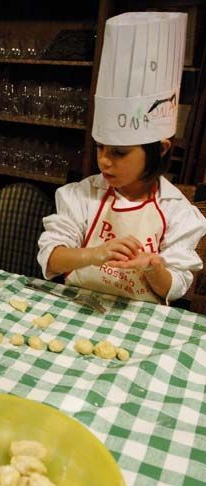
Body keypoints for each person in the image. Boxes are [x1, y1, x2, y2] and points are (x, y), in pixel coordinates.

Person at [38, 12, 206, 304]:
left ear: (161, 149)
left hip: (139, 319)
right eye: (101, 147)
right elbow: (51, 259)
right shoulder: (83, 195)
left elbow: (176, 285)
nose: (104, 161)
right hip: (76, 306)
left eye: (119, 152)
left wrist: (153, 267)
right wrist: (95, 253)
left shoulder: (175, 209)